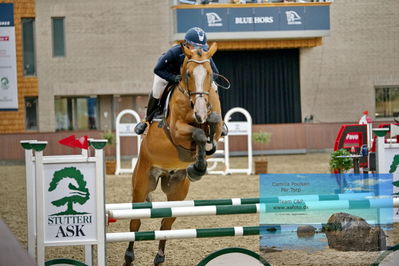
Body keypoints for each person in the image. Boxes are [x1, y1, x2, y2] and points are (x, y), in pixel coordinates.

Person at [134, 27, 220, 135]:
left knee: (214, 86)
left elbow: (215, 73)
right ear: (187, 44)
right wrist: (173, 78)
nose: (199, 50)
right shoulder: (175, 52)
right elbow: (157, 69)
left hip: (190, 79)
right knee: (157, 88)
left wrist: (205, 81)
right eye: (196, 46)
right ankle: (147, 120)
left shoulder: (203, 53)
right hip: (168, 74)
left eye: (201, 47)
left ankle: (218, 118)